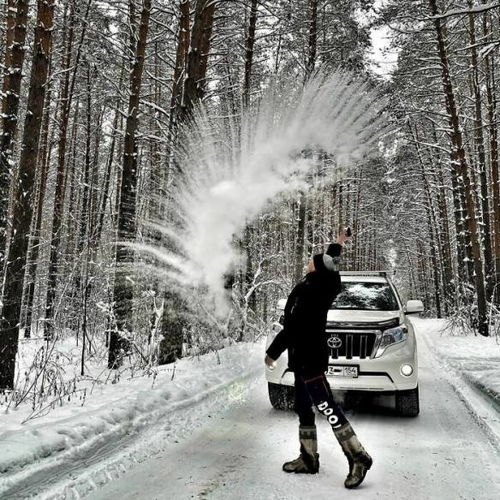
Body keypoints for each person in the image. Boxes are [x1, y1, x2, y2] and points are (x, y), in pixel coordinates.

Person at [265, 228, 372, 489]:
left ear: (317, 268)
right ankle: (308, 458)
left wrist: (273, 351)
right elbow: (328, 263)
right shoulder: (313, 285)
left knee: (327, 407)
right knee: (303, 408)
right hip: (301, 360)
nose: (308, 261)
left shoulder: (316, 290)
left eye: (311, 260)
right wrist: (338, 244)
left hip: (309, 359)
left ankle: (358, 456)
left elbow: (293, 328)